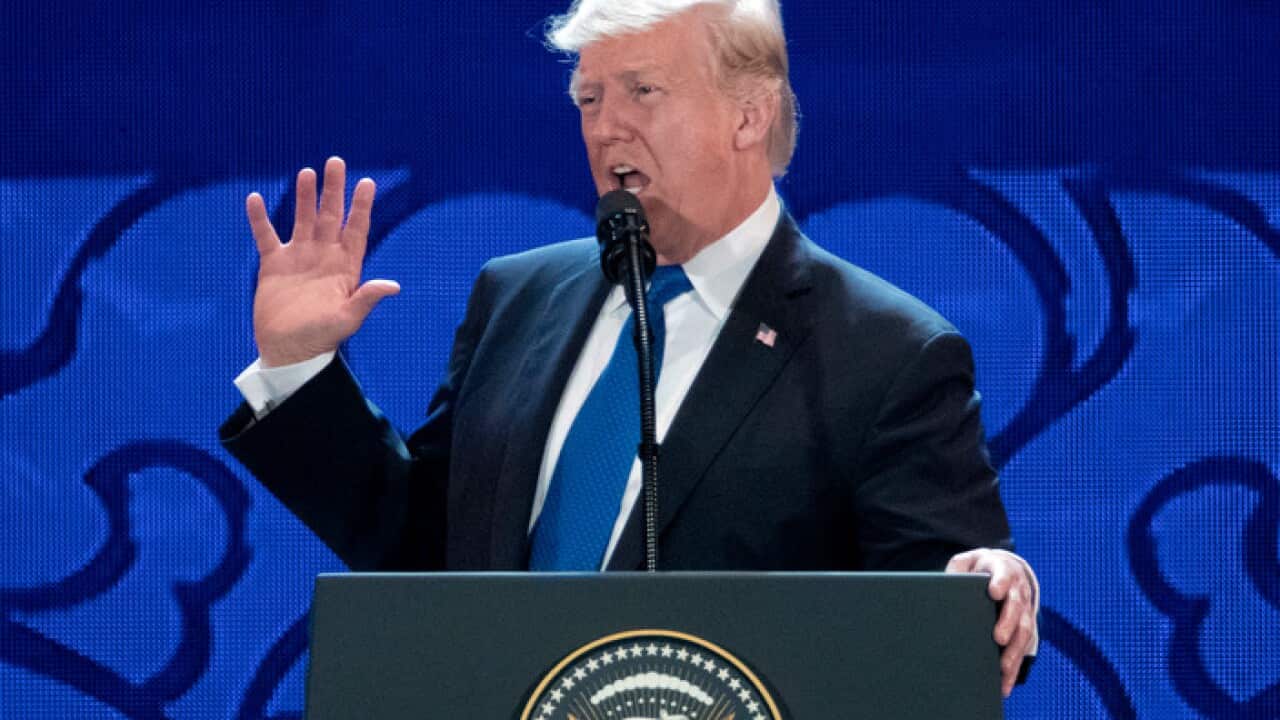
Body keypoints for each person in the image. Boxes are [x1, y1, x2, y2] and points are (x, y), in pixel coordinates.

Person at [220, 0, 1040, 696]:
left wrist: (982, 591)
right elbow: (427, 553)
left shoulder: (886, 351)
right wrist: (299, 369)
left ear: (748, 114)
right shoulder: (517, 297)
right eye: (588, 99)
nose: (606, 125)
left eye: (643, 92)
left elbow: (944, 608)